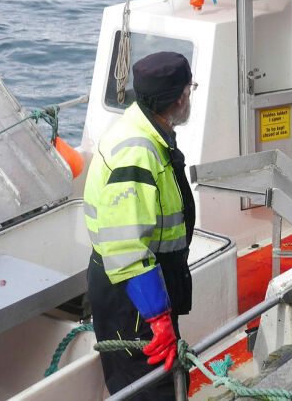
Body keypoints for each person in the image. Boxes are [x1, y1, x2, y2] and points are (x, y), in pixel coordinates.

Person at [84, 51, 196, 399]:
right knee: (153, 389)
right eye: (190, 89)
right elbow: (126, 247)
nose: (190, 96)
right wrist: (158, 319)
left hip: (137, 288)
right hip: (132, 298)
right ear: (178, 99)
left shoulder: (142, 126)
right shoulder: (138, 152)